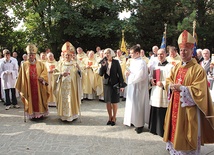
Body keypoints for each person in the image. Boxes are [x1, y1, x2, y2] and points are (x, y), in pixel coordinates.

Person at [163, 30, 214, 154]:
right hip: (175, 106)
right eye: (181, 50)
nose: (183, 52)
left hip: (188, 109)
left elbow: (200, 91)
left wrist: (183, 89)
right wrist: (170, 86)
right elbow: (169, 80)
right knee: (174, 132)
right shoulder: (177, 66)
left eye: (186, 50)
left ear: (192, 51)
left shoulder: (198, 70)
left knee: (187, 134)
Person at [15, 44, 49, 119]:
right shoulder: (24, 65)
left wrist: (42, 78)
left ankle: (40, 114)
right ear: (27, 55)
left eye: (32, 55)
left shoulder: (41, 64)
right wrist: (22, 86)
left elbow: (45, 73)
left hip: (39, 86)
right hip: (29, 87)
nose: (31, 56)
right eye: (29, 55)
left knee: (40, 99)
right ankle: (32, 114)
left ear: (35, 55)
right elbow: (21, 76)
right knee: (30, 100)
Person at [123, 45, 150, 134]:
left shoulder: (142, 63)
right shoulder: (133, 61)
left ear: (137, 53)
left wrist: (130, 76)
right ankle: (132, 120)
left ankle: (139, 125)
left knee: (138, 106)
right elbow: (130, 71)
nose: (130, 55)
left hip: (139, 88)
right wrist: (127, 73)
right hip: (132, 87)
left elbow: (140, 76)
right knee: (132, 104)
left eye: (131, 53)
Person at [54, 41, 81, 122]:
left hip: (72, 86)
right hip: (62, 86)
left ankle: (72, 115)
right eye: (66, 55)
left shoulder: (74, 64)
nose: (67, 56)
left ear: (71, 55)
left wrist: (79, 69)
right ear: (64, 55)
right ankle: (63, 116)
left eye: (69, 55)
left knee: (71, 99)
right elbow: (55, 73)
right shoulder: (60, 64)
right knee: (64, 100)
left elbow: (80, 75)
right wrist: (61, 74)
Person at [148, 48, 173, 137]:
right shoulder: (154, 65)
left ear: (166, 54)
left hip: (163, 92)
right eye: (158, 54)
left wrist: (162, 83)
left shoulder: (170, 66)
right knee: (154, 108)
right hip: (155, 90)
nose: (160, 56)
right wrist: (151, 80)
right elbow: (150, 75)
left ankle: (162, 130)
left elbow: (171, 80)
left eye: (162, 54)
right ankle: (153, 129)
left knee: (162, 110)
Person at [99, 48, 125, 126]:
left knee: (114, 102)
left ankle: (114, 117)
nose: (107, 55)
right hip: (107, 84)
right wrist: (102, 66)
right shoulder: (104, 62)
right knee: (108, 102)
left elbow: (120, 74)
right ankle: (110, 117)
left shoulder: (116, 62)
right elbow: (100, 74)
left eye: (108, 53)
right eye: (106, 53)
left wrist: (122, 85)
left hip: (115, 84)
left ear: (112, 54)